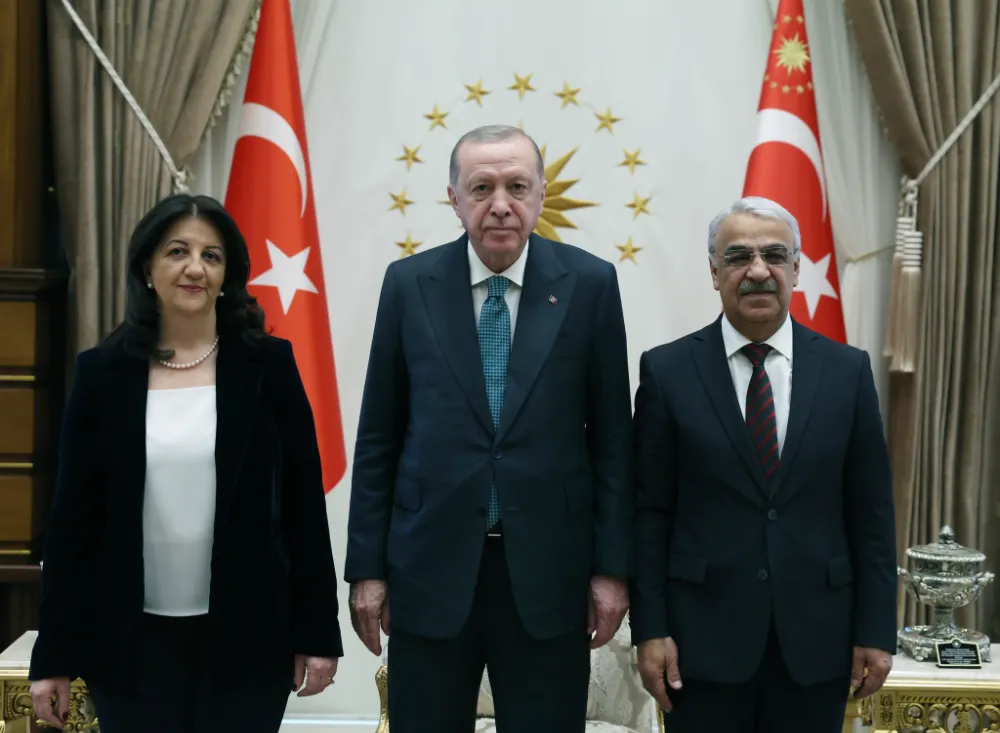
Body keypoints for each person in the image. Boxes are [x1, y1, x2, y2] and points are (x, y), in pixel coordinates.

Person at [345, 124, 633, 732]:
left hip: (549, 574)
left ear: (541, 194)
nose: (500, 204)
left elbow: (613, 443)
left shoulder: (589, 284)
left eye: (516, 187)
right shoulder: (409, 285)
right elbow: (378, 438)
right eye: (481, 188)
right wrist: (367, 570)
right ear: (454, 198)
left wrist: (611, 570)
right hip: (429, 569)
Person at [28, 194, 343, 732]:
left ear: (227, 277)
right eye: (178, 251)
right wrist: (53, 655)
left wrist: (317, 633)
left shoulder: (268, 367)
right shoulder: (102, 375)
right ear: (147, 270)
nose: (195, 267)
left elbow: (303, 509)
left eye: (211, 256)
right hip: (128, 644)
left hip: (248, 640)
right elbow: (71, 525)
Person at [631, 197, 897, 733]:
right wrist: (650, 630)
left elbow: (871, 515)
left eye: (774, 255)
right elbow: (648, 514)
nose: (757, 270)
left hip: (818, 642)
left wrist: (875, 630)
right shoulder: (667, 372)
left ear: (796, 269)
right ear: (714, 273)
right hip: (700, 644)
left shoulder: (847, 372)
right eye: (738, 256)